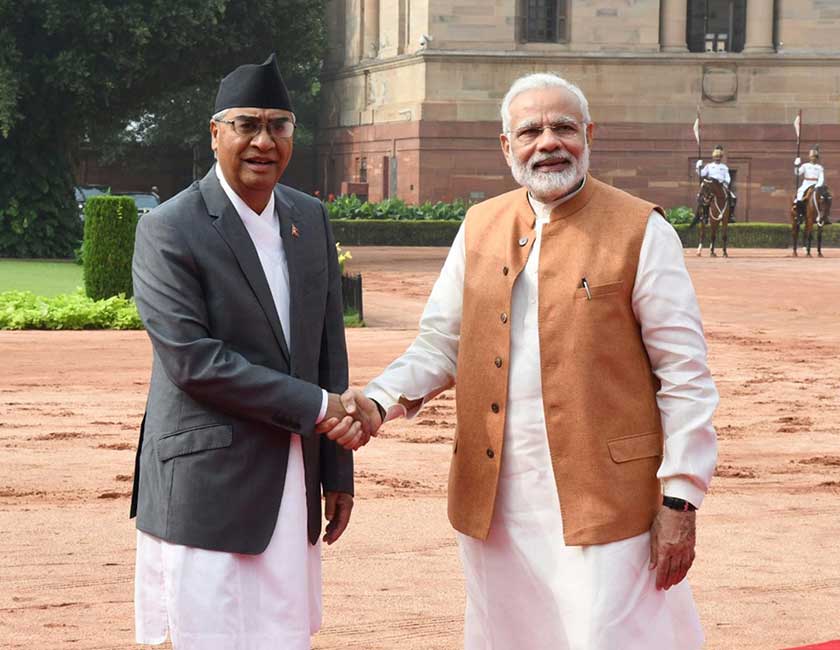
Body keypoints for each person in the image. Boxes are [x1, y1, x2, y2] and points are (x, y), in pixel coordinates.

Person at [327, 72, 719, 649]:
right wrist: (380, 400)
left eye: (563, 127)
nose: (548, 141)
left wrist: (680, 499)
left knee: (609, 636)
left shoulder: (641, 230)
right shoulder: (480, 226)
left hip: (610, 499)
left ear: (589, 135)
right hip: (498, 496)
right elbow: (442, 343)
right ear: (506, 146)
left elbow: (684, 377)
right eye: (530, 130)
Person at [130, 53, 377, 650]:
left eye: (279, 125)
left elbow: (327, 351)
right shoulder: (170, 227)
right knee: (211, 634)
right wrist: (322, 407)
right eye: (247, 124)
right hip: (207, 480)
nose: (264, 141)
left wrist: (336, 469)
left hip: (295, 475)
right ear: (216, 133)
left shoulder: (309, 217)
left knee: (282, 634)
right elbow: (194, 361)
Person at [696, 145, 736, 221]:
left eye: (719, 157)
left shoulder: (724, 167)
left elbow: (727, 177)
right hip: (711, 185)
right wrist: (698, 166)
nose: (718, 158)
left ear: (721, 158)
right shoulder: (709, 166)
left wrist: (726, 182)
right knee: (705, 198)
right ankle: (705, 215)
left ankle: (731, 215)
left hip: (721, 185)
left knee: (733, 197)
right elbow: (702, 174)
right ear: (713, 157)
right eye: (716, 157)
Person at [793, 147, 828, 223]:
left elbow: (821, 178)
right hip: (806, 183)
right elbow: (797, 173)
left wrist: (817, 186)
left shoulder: (819, 167)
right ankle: (800, 215)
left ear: (817, 158)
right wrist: (796, 165)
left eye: (815, 157)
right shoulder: (805, 165)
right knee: (799, 193)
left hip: (816, 184)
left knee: (826, 197)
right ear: (809, 157)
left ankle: (824, 216)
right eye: (812, 156)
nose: (813, 158)